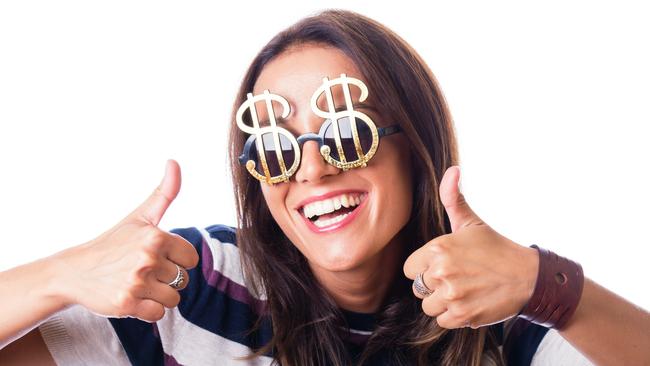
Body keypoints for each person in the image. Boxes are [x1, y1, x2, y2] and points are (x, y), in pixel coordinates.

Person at [1, 9, 648, 366]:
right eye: (277, 143)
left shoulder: (495, 314)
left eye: (345, 133)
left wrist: (550, 288)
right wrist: (63, 272)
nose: (311, 169)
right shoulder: (190, 288)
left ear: (414, 146)